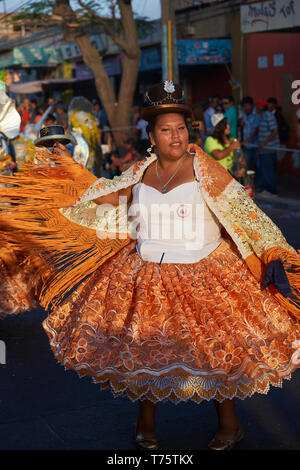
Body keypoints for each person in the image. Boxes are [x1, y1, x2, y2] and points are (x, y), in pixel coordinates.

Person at [0, 81, 300, 452]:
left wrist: (269, 250)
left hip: (203, 270)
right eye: (165, 129)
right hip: (147, 274)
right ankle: (146, 424)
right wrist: (66, 171)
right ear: (151, 136)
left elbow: (246, 215)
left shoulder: (206, 171)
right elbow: (98, 198)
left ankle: (229, 424)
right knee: (146, 351)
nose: (175, 136)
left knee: (216, 352)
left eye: (181, 128)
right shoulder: (139, 173)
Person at [204, 113, 246, 179]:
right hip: (216, 180)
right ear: (219, 127)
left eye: (228, 124)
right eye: (226, 124)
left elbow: (242, 158)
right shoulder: (210, 140)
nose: (228, 126)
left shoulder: (232, 140)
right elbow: (218, 155)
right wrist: (231, 147)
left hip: (232, 179)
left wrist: (242, 168)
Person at [256, 99, 280, 196]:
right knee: (264, 170)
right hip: (264, 149)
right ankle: (265, 189)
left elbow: (274, 131)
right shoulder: (262, 116)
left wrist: (264, 143)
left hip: (269, 149)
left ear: (259, 108)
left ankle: (272, 191)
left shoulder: (268, 115)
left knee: (268, 171)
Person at [240, 96, 260, 170]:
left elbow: (255, 131)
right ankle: (248, 181)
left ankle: (259, 181)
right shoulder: (244, 114)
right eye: (244, 106)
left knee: (258, 165)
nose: (246, 107)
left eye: (248, 105)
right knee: (246, 165)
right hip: (247, 146)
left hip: (256, 145)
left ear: (252, 105)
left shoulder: (257, 115)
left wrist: (245, 141)